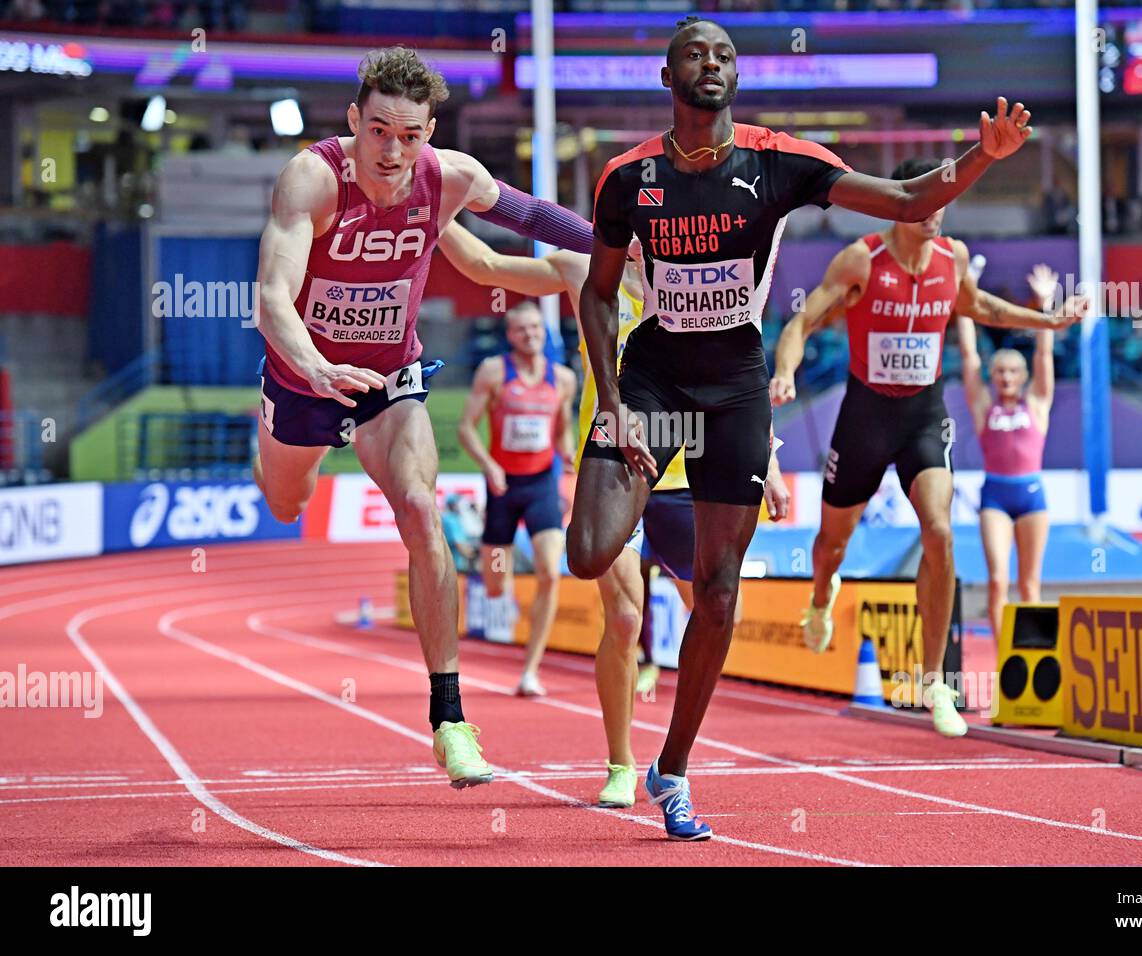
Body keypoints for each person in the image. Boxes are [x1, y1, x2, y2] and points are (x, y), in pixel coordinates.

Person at [566, 15, 1040, 839]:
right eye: (692, 53)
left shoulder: (779, 160)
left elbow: (905, 199)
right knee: (586, 552)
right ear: (667, 76)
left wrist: (982, 159)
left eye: (722, 55)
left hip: (737, 390)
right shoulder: (626, 178)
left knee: (718, 597)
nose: (708, 64)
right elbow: (599, 293)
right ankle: (653, 516)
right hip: (650, 379)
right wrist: (611, 400)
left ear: (736, 77)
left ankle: (671, 769)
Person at [251, 46, 593, 789]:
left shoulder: (448, 178)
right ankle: (272, 440)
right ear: (354, 121)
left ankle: (449, 721)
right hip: (306, 377)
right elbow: (273, 295)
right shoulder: (311, 178)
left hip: (389, 380)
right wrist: (312, 366)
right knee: (287, 501)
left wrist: (611, 248)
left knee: (420, 509)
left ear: (430, 131)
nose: (392, 151)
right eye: (378, 132)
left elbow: (530, 215)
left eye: (410, 136)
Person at [436, 220, 786, 807]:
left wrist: (767, 458)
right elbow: (487, 267)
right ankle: (621, 763)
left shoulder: (694, 284)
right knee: (624, 621)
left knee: (720, 612)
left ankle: (673, 757)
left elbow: (741, 368)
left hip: (684, 473)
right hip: (614, 475)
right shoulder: (582, 271)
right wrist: (434, 207)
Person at [770, 157, 1087, 740]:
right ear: (901, 202)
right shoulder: (862, 258)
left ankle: (937, 680)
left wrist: (1048, 323)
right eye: (928, 201)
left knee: (939, 532)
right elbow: (802, 322)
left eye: (946, 201)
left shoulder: (952, 258)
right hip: (865, 416)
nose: (938, 212)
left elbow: (982, 308)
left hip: (923, 414)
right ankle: (820, 598)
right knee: (830, 544)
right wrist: (785, 372)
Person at [457, 302, 576, 696]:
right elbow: (465, 429)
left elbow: (561, 431)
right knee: (495, 586)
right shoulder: (493, 372)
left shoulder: (561, 379)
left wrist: (570, 454)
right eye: (522, 329)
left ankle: (530, 671)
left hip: (542, 485)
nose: (531, 335)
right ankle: (500, 591)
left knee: (549, 571)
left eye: (536, 328)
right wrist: (489, 465)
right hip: (502, 489)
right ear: (510, 335)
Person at [956, 264, 1061, 640]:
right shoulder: (985, 407)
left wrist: (1047, 303)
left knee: (1030, 584)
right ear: (994, 375)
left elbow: (1043, 356)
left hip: (1032, 495)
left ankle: (1031, 652)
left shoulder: (1037, 404)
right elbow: (969, 357)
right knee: (998, 581)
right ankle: (1004, 658)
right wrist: (966, 291)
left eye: (1012, 373)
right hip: (995, 496)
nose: (1005, 378)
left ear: (1021, 376)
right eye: (999, 372)